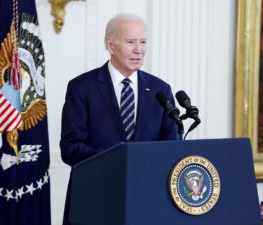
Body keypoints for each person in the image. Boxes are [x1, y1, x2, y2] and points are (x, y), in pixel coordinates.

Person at [59, 13, 179, 225]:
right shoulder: (82, 88)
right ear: (111, 45)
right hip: (95, 201)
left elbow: (171, 148)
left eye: (143, 42)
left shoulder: (160, 90)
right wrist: (120, 160)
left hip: (146, 202)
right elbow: (71, 148)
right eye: (131, 42)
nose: (138, 50)